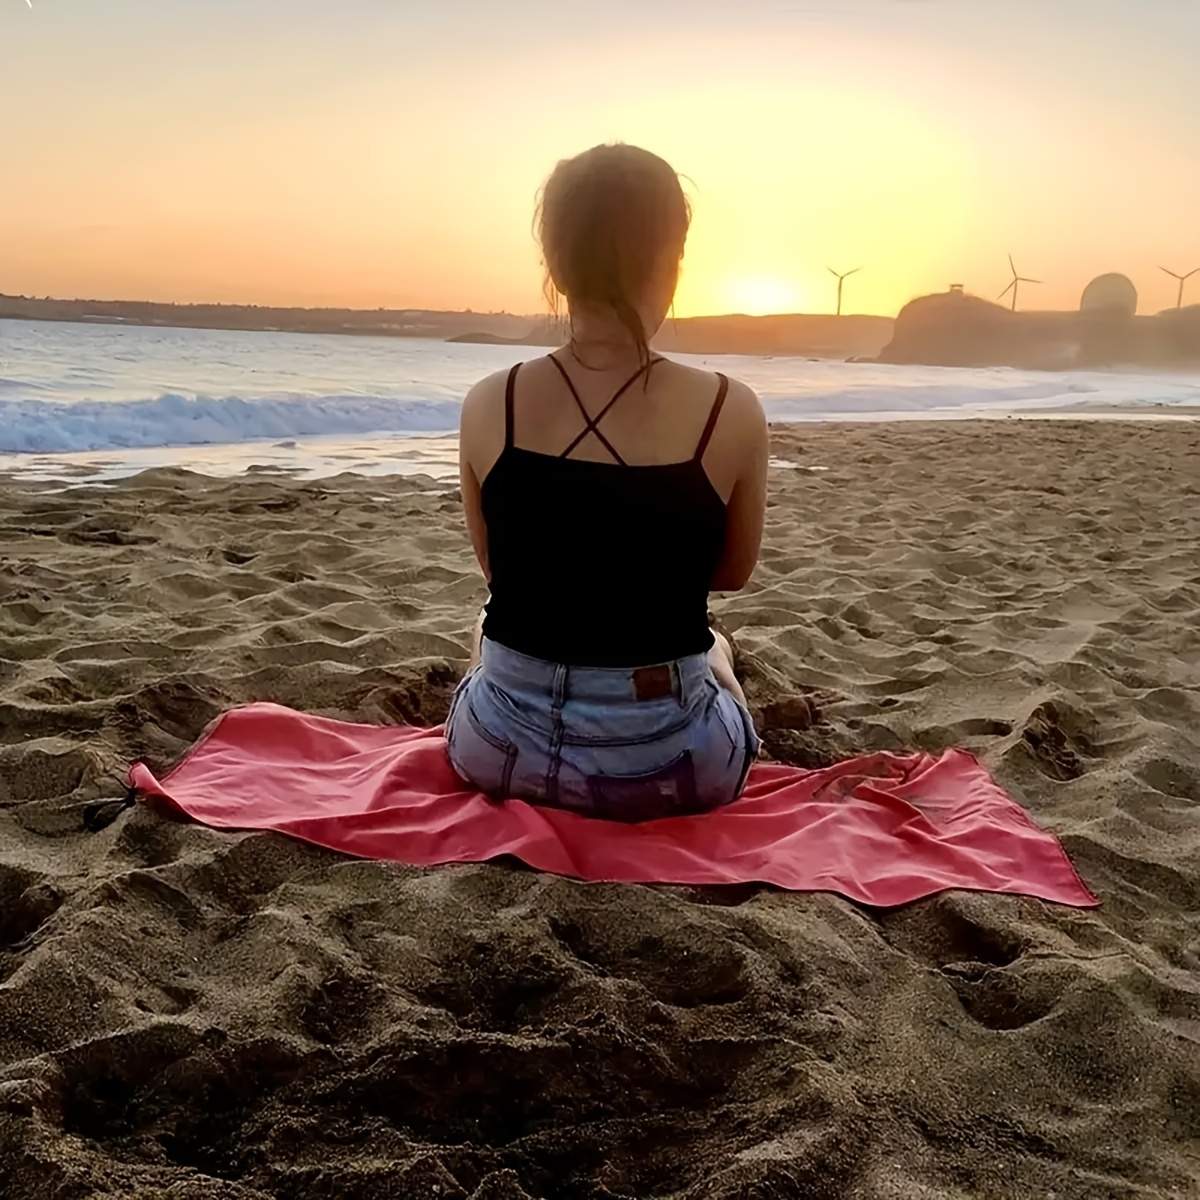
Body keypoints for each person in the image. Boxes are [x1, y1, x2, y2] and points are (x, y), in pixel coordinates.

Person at [447, 142, 768, 822]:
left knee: (484, 628)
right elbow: (732, 571)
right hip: (674, 766)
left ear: (556, 265)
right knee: (714, 651)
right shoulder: (727, 408)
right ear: (669, 261)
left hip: (496, 753)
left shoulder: (489, 402)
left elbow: (498, 570)